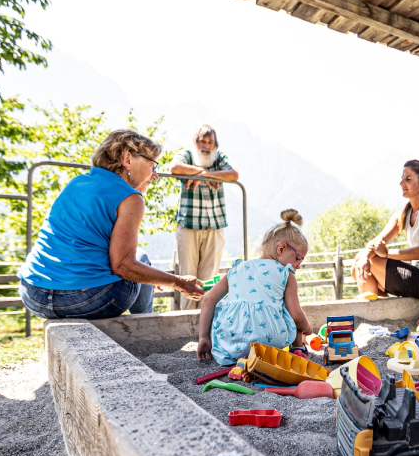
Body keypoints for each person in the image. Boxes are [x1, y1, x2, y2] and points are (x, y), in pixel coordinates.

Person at [19, 130, 204, 319]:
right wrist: (178, 282)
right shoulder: (130, 198)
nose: (155, 175)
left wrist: (149, 277)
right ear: (127, 159)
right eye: (152, 165)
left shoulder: (76, 183)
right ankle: (147, 324)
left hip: (33, 294)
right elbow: (123, 266)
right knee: (140, 258)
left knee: (140, 267)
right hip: (84, 300)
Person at [197, 209, 315, 366]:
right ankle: (298, 349)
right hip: (268, 344)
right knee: (290, 310)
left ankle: (234, 355)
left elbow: (209, 300)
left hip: (231, 343)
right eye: (297, 259)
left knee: (224, 304)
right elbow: (297, 315)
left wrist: (203, 337)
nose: (298, 266)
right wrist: (307, 327)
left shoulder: (237, 268)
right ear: (281, 248)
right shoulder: (285, 274)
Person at [352, 160, 419, 300]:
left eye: (408, 179)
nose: (402, 183)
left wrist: (386, 254)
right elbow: (377, 242)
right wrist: (365, 256)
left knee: (371, 262)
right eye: (402, 179)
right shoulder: (403, 214)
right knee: (359, 265)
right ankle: (379, 312)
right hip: (415, 276)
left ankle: (372, 313)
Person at [169, 125, 239, 310]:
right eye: (203, 141)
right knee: (187, 278)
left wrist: (204, 175)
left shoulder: (219, 158)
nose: (206, 146)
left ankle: (203, 325)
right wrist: (202, 173)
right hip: (189, 224)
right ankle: (185, 321)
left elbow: (233, 174)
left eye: (210, 142)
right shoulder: (187, 155)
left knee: (209, 280)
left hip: (214, 226)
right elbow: (174, 168)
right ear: (195, 141)